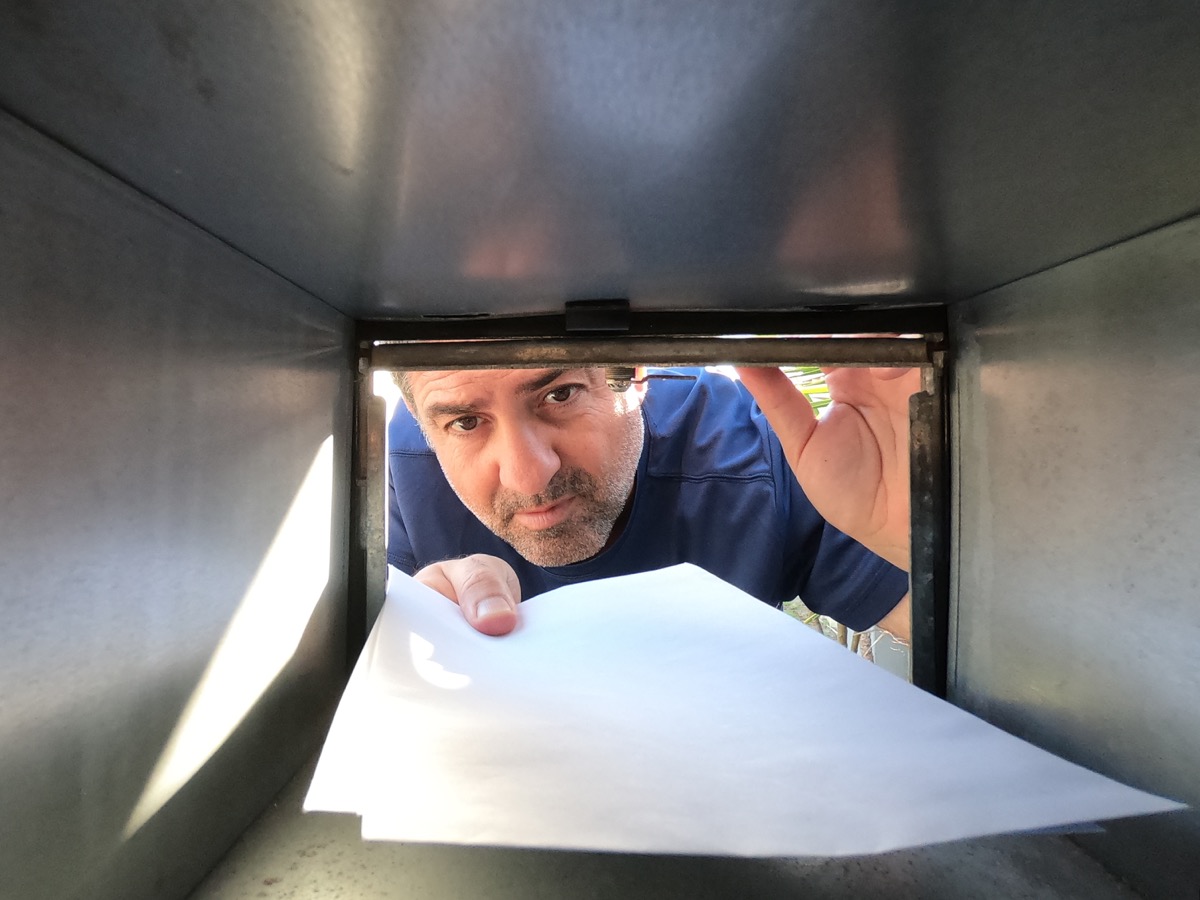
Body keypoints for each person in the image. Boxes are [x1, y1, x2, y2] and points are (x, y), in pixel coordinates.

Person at [388, 364, 916, 640]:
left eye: (561, 394)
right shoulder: (397, 471)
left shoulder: (756, 449)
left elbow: (973, 647)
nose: (527, 476)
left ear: (636, 374)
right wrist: (408, 634)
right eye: (464, 422)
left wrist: (911, 541)